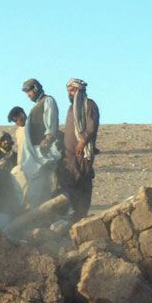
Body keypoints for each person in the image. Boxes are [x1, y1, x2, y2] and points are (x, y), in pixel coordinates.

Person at [59, 78, 100, 221]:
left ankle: (81, 215)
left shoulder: (89, 105)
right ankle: (74, 215)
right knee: (69, 182)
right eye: (68, 91)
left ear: (79, 90)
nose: (69, 94)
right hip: (69, 155)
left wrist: (83, 141)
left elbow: (92, 125)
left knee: (81, 182)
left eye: (71, 90)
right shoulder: (72, 108)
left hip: (82, 154)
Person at [8, 105, 56, 209]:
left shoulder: (34, 127)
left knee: (39, 194)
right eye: (14, 122)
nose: (17, 123)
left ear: (22, 115)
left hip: (36, 166)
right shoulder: (19, 131)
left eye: (16, 120)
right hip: (23, 166)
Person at [21, 78, 62, 163]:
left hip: (47, 149)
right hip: (37, 150)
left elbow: (51, 121)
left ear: (36, 88)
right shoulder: (36, 106)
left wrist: (48, 139)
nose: (28, 95)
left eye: (29, 91)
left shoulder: (47, 101)